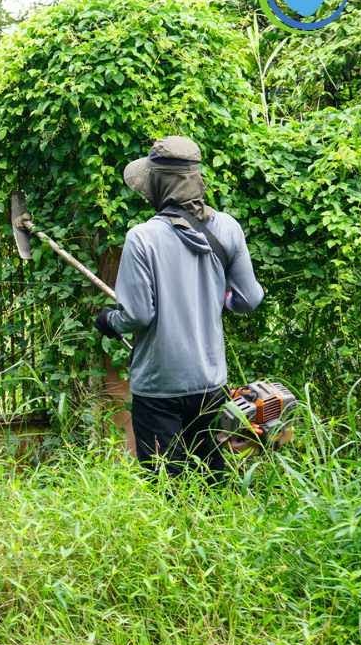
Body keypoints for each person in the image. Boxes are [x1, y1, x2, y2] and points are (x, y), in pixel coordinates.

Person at [94, 136, 264, 478]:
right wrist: (216, 298)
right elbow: (249, 299)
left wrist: (108, 320)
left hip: (158, 386)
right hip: (210, 382)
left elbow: (138, 315)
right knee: (211, 482)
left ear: (157, 184)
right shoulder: (227, 228)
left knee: (165, 484)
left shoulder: (142, 237)